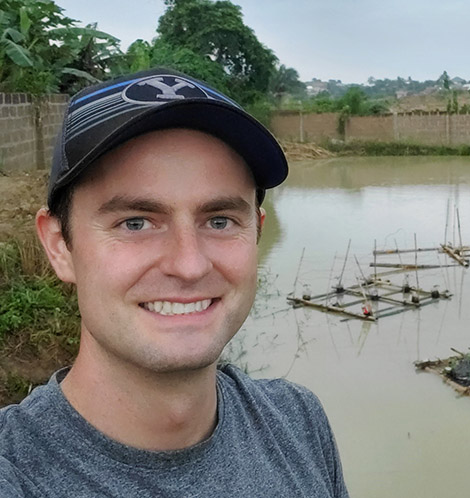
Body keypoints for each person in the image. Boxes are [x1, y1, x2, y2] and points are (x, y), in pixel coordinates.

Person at [0, 68, 349, 497]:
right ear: (59, 246)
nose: (189, 265)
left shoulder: (298, 423)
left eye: (219, 221)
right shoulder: (16, 473)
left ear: (257, 232)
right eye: (135, 222)